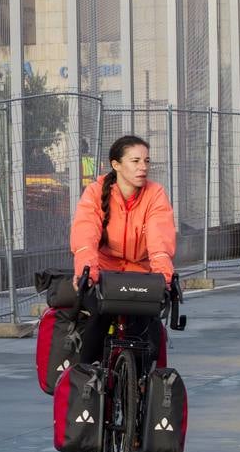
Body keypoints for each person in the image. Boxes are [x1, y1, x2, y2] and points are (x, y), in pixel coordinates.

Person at [68, 135, 177, 368]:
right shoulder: (95, 192)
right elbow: (86, 235)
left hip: (141, 274)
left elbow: (160, 240)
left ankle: (139, 386)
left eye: (146, 161)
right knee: (98, 317)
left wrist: (164, 277)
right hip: (104, 272)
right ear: (116, 165)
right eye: (135, 161)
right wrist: (87, 271)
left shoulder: (155, 194)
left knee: (146, 329)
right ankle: (88, 375)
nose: (143, 167)